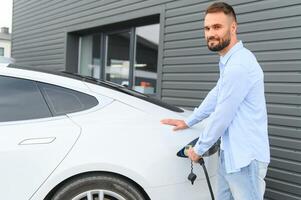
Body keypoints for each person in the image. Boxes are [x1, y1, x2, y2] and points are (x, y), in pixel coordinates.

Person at [161, 2, 270, 200]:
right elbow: (216, 94)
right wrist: (189, 121)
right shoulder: (229, 62)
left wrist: (199, 149)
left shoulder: (239, 65)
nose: (211, 33)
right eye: (207, 28)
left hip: (245, 160)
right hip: (231, 156)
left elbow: (222, 115)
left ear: (233, 27)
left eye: (217, 27)